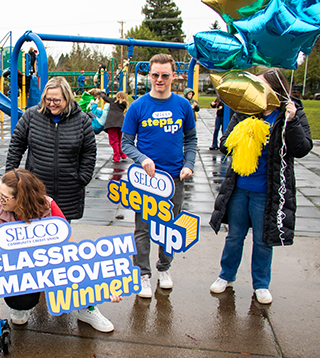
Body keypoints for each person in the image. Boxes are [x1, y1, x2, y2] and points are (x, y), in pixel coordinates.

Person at [209, 68, 312, 304]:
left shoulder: (290, 112)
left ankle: (261, 284)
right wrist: (245, 135)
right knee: (234, 236)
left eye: (261, 84)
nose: (255, 89)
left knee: (263, 240)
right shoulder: (246, 110)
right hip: (239, 188)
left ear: (275, 88)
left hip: (267, 190)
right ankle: (226, 276)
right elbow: (225, 144)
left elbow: (302, 148)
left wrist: (292, 119)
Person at [0, 168, 118, 332]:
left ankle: (87, 308)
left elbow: (70, 247)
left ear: (22, 199)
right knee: (19, 301)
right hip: (20, 269)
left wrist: (102, 287)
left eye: (5, 197)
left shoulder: (48, 207)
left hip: (49, 264)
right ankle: (20, 307)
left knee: (76, 269)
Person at [121, 53, 198, 298]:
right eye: (155, 75)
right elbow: (126, 143)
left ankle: (164, 268)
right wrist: (142, 159)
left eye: (165, 75)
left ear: (174, 76)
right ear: (149, 75)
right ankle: (143, 274)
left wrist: (189, 163)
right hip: (146, 181)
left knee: (169, 227)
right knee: (142, 229)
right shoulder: (138, 106)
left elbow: (191, 139)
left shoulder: (183, 105)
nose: (160, 80)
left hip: (175, 178)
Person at [5, 76, 97, 221]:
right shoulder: (31, 116)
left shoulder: (82, 120)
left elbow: (89, 152)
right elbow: (16, 145)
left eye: (57, 100)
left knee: (63, 235)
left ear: (67, 98)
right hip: (37, 188)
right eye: (48, 99)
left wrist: (82, 178)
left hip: (68, 190)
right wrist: (10, 177)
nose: (51, 104)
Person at [100, 90, 128, 162]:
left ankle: (116, 156)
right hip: (121, 123)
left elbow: (104, 97)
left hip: (112, 123)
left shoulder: (113, 100)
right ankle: (123, 154)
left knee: (113, 140)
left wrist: (102, 92)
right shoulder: (124, 104)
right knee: (120, 139)